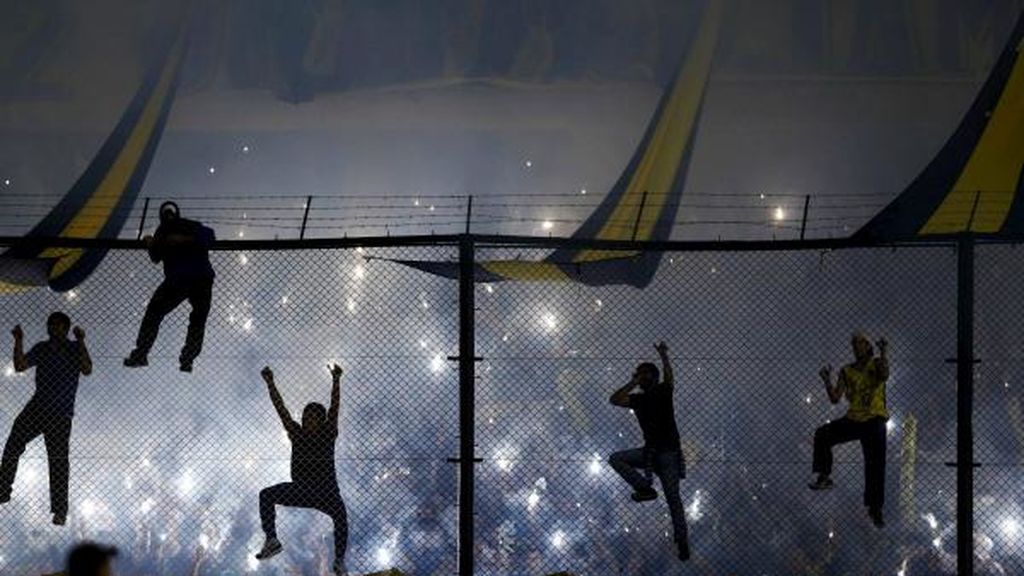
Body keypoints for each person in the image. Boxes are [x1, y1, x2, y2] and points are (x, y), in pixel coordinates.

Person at [255, 364, 348, 575]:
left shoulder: (328, 434)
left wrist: (336, 380)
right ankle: (272, 540)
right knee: (266, 495)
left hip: (326, 492)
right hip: (302, 489)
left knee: (341, 516)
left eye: (314, 417)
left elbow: (334, 408)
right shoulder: (297, 433)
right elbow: (282, 410)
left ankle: (339, 562)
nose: (309, 421)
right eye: (307, 417)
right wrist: (270, 383)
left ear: (321, 420)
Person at [0, 312, 92, 526]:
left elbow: (87, 369)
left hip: (60, 414)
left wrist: (80, 341)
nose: (54, 329)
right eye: (51, 326)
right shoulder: (43, 348)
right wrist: (19, 340)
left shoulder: (73, 348)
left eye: (58, 326)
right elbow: (21, 365)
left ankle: (60, 511)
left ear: (66, 329)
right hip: (38, 407)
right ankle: (3, 489)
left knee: (58, 461)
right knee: (14, 443)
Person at [608, 341, 690, 561]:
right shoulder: (639, 399)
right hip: (651, 453)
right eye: (639, 374)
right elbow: (614, 399)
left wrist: (663, 356)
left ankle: (682, 541)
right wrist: (633, 381)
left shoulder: (663, 392)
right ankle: (645, 488)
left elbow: (669, 378)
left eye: (645, 375)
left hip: (668, 455)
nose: (641, 378)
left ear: (652, 377)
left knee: (674, 499)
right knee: (616, 459)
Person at [808, 332, 890, 528]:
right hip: (854, 419)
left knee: (875, 465)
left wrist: (884, 352)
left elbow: (885, 375)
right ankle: (824, 476)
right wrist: (827, 380)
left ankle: (875, 508)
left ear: (868, 346)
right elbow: (836, 398)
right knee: (823, 434)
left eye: (861, 343)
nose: (856, 346)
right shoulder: (846, 371)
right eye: (854, 344)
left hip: (874, 420)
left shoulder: (876, 363)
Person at [124, 201, 215, 372]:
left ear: (176, 214)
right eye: (165, 214)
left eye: (170, 213)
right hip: (179, 279)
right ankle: (142, 353)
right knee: (155, 312)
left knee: (197, 319)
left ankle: (187, 357)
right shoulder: (161, 232)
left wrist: (184, 240)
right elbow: (156, 257)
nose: (168, 216)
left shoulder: (188, 224)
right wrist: (150, 243)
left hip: (199, 277)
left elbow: (210, 236)